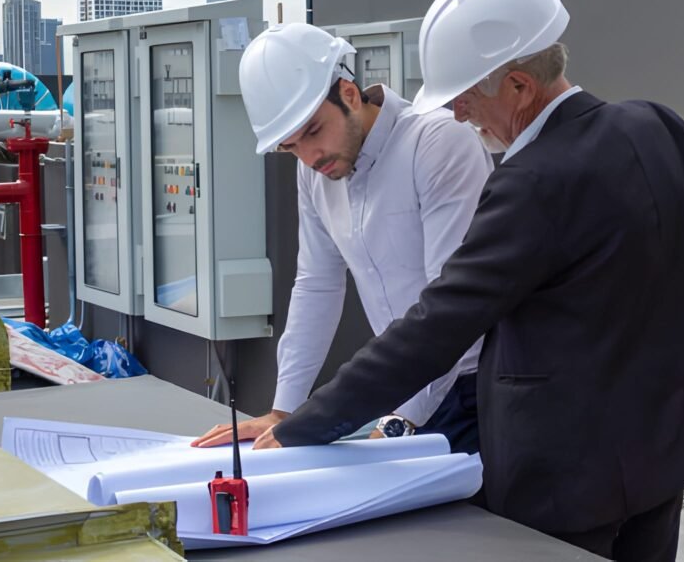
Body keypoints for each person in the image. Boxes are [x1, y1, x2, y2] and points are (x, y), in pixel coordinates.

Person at [252, 0, 684, 562]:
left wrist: (302, 427)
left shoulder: (531, 182)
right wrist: (633, 342)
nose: (461, 116)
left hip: (569, 469)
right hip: (665, 443)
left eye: (467, 99)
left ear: (519, 86)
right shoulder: (655, 124)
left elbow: (437, 327)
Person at [193, 23, 492, 454]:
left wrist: (401, 419)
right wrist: (284, 410)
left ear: (349, 93)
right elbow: (316, 284)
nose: (309, 156)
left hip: (472, 387)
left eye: (314, 131)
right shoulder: (316, 171)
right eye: (290, 146)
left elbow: (451, 308)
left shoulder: (436, 142)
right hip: (401, 388)